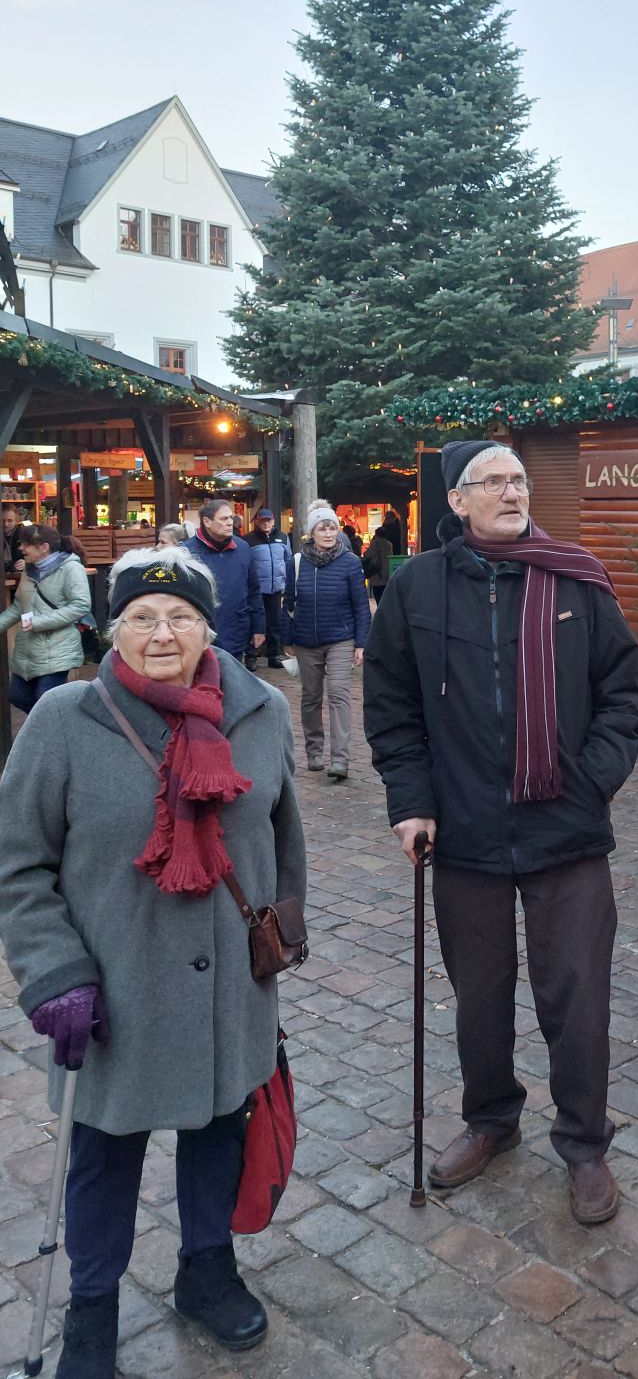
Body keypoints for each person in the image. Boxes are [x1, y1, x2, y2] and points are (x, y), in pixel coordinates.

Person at [0, 546, 306, 1378]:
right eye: (141, 615)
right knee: (102, 1153)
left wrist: (283, 930)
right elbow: (17, 863)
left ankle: (206, 1269)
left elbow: (283, 835)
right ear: (112, 625)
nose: (162, 631)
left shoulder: (261, 710)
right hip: (113, 995)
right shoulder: (65, 720)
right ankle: (92, 1312)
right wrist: (54, 972)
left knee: (217, 1132)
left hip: (227, 992)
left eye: (180, 615)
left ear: (212, 624)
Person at [364, 440, 638, 1225]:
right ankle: (492, 1118)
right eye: (494, 481)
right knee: (480, 996)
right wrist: (410, 800)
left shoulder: (574, 578)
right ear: (456, 501)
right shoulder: (418, 588)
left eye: (519, 478)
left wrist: (588, 780)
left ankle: (585, 1143)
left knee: (578, 995)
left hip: (567, 829)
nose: (513, 490)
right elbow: (392, 708)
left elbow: (625, 694)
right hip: (463, 832)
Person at [281, 500, 370, 782]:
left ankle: (340, 759)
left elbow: (360, 605)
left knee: (339, 694)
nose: (329, 533)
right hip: (305, 640)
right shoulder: (296, 563)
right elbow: (288, 603)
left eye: (332, 527)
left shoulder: (351, 562)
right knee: (310, 696)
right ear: (312, 532)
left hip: (340, 638)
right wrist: (287, 638)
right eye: (323, 528)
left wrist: (361, 643)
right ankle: (314, 752)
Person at [0, 524, 92, 712]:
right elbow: (19, 606)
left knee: (47, 702)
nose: (21, 548)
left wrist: (37, 622)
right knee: (18, 696)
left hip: (58, 648)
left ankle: (54, 733)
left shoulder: (71, 569)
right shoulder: (28, 570)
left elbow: (80, 605)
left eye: (26, 544)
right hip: (29, 650)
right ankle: (54, 728)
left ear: (44, 547)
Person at [185, 497, 265, 665]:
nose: (230, 522)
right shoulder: (186, 552)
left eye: (230, 517)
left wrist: (259, 627)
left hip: (236, 629)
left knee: (231, 684)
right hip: (198, 633)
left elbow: (254, 590)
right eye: (224, 519)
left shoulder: (243, 548)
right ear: (206, 521)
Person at [246, 507, 294, 669]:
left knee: (275, 623)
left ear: (273, 521)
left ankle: (273, 655)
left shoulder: (283, 537)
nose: (266, 523)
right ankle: (251, 655)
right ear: (257, 522)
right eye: (262, 520)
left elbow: (288, 561)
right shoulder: (249, 540)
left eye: (269, 520)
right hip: (256, 589)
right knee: (255, 622)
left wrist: (287, 584)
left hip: (276, 588)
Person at [362, 522, 393, 605]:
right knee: (384, 597)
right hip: (386, 573)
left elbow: (367, 554)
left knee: (378, 596)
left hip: (376, 572)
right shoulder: (389, 544)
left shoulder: (375, 543)